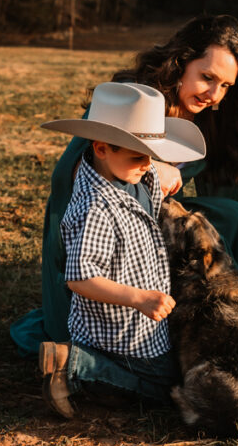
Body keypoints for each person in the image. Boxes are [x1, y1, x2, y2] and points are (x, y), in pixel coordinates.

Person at [12, 15, 238, 356]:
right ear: (180, 63)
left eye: (225, 85)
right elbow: (81, 172)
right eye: (207, 77)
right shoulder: (133, 99)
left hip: (160, 216)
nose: (214, 94)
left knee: (237, 218)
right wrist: (154, 168)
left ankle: (218, 317)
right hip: (110, 219)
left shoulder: (210, 115)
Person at [38, 82, 206, 417]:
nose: (147, 165)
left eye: (151, 157)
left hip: (144, 324)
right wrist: (139, 298)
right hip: (117, 333)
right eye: (137, 156)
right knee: (167, 390)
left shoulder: (136, 178)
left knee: (174, 371)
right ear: (101, 149)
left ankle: (94, 377)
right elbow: (80, 280)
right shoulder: (94, 209)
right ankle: (80, 366)